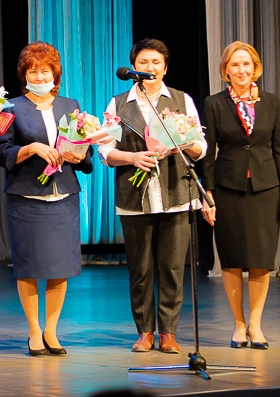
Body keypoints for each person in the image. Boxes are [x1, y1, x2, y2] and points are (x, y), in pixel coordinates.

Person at [99, 38, 206, 354]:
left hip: (177, 193)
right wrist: (132, 158)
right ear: (134, 67)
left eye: (156, 62)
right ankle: (145, 331)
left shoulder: (181, 101)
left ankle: (168, 333)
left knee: (173, 267)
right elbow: (105, 150)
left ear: (165, 67)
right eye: (144, 62)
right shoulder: (119, 103)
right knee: (141, 269)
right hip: (134, 196)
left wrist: (184, 144)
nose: (150, 68)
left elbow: (200, 148)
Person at [0, 42, 95, 357]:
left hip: (64, 194)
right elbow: (0, 150)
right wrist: (32, 149)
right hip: (27, 195)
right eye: (32, 70)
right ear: (24, 73)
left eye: (44, 70)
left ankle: (52, 330)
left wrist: (80, 154)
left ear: (54, 73)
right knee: (29, 267)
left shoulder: (69, 104)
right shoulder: (9, 107)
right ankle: (34, 331)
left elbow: (85, 149)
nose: (38, 75)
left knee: (60, 266)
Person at [200, 41, 280, 349]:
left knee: (260, 260)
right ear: (226, 71)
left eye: (246, 64)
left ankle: (255, 324)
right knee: (231, 259)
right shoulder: (214, 103)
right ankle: (238, 325)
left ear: (255, 68)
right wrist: (208, 193)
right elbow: (209, 153)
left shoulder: (270, 101)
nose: (241, 70)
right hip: (228, 188)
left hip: (266, 188)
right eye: (235, 65)